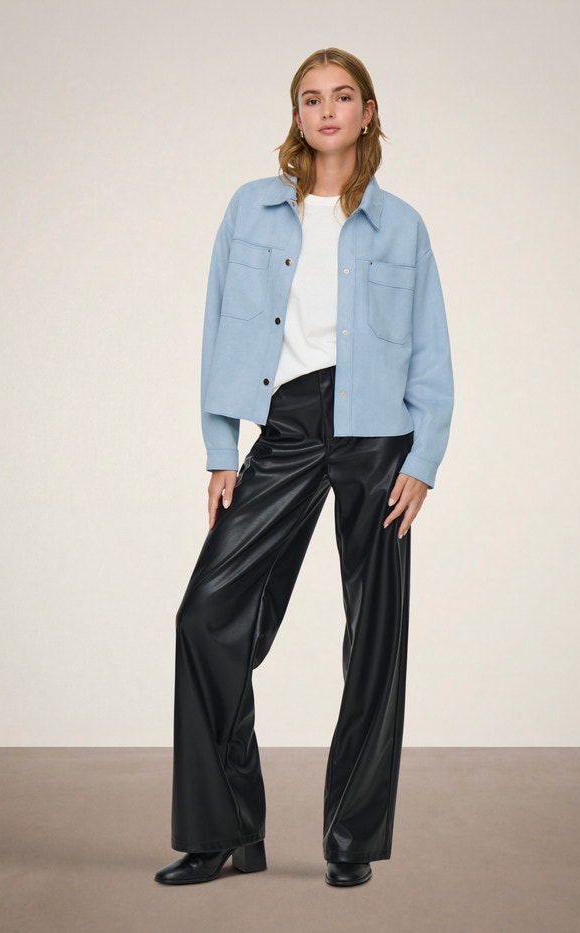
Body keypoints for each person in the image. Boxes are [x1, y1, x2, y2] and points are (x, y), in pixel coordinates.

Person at [154, 47, 453, 889]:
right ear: (297, 116)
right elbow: (218, 326)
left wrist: (424, 457)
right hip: (286, 424)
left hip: (377, 435)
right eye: (311, 98)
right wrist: (221, 448)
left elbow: (430, 348)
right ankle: (225, 832)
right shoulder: (250, 209)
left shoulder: (403, 226)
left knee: (375, 636)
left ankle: (352, 838)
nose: (327, 110)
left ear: (367, 112)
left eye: (342, 96)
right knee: (207, 617)